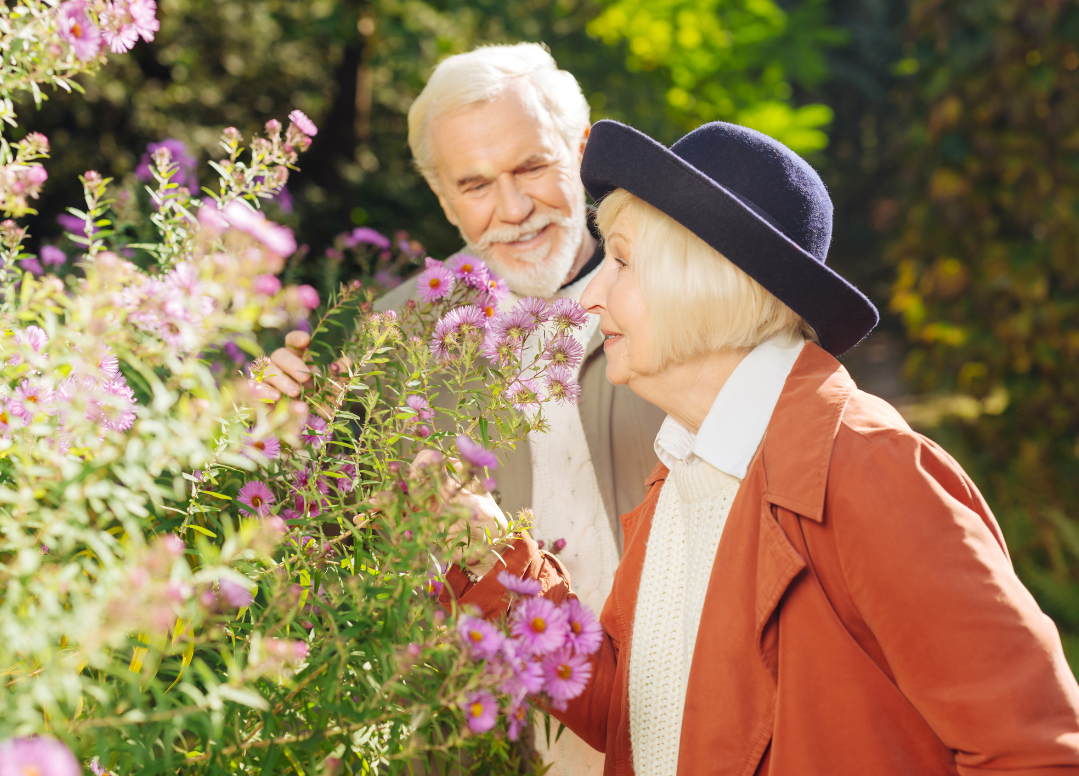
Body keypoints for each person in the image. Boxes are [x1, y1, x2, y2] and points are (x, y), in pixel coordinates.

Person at [439, 119, 1079, 774]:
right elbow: (630, 716)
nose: (592, 297)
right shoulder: (685, 474)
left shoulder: (867, 470)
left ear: (712, 279)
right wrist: (490, 554)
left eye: (623, 261)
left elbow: (1036, 754)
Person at [260, 45, 664, 773]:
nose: (512, 210)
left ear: (580, 152)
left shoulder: (681, 299)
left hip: (673, 712)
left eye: (532, 167)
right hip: (481, 737)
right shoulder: (393, 339)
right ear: (444, 200)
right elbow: (327, 545)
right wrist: (278, 430)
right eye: (474, 184)